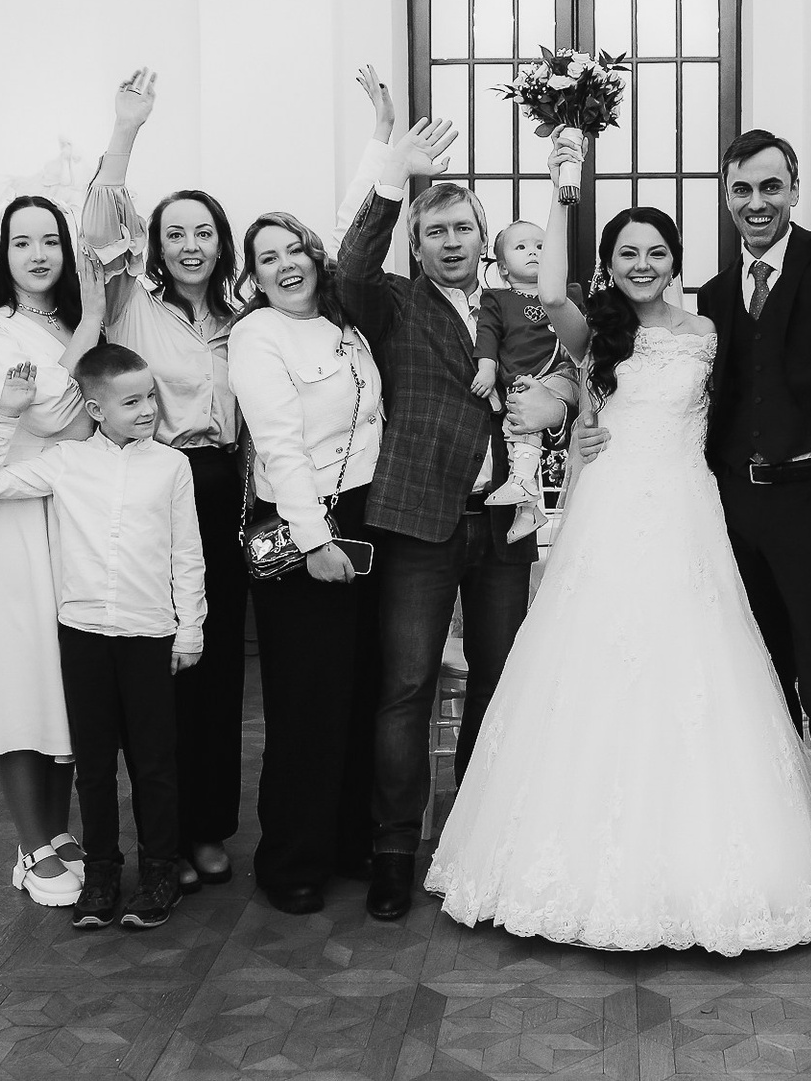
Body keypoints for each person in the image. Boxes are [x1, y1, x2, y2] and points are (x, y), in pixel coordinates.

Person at [428, 138, 811, 954]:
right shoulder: (594, 333)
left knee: (697, 668)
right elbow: (548, 290)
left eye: (655, 252)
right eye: (627, 254)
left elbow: (744, 411)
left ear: (674, 261)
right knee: (592, 665)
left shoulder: (711, 331)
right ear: (610, 266)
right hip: (611, 510)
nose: (642, 265)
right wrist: (563, 191)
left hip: (688, 512)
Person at [576, 101, 811, 953]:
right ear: (726, 196)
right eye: (741, 189)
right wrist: (590, 423)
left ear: (794, 189)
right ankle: (777, 856)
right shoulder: (709, 300)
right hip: (726, 513)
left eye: (771, 187)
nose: (756, 202)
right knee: (754, 690)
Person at [333, 116, 579, 922]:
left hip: (504, 523)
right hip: (418, 521)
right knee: (405, 687)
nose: (449, 242)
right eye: (434, 230)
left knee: (499, 684)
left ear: (484, 237)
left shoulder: (518, 306)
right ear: (416, 242)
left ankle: (475, 841)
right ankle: (394, 849)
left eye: (462, 228)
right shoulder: (392, 303)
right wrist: (391, 177)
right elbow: (351, 265)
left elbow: (569, 366)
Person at [0, 346, 206, 930]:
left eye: (150, 397)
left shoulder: (172, 467)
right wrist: (8, 411)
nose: (147, 409)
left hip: (150, 633)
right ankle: (101, 871)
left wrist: (190, 628)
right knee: (94, 765)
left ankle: (158, 872)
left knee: (154, 762)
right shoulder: (66, 462)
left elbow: (187, 553)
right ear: (96, 409)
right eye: (131, 401)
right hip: (84, 635)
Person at [79, 68, 246, 891]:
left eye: (203, 233)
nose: (189, 245)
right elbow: (96, 227)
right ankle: (163, 838)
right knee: (161, 674)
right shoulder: (129, 305)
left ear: (221, 243)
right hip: (157, 488)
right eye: (175, 233)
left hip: (230, 496)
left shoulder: (244, 319)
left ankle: (209, 827)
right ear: (156, 244)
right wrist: (126, 131)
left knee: (218, 668)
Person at [227, 210, 385, 915]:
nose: (286, 264)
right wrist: (316, 541)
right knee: (306, 703)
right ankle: (291, 858)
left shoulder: (346, 323)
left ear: (317, 257)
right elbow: (278, 444)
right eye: (268, 258)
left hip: (366, 515)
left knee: (359, 690)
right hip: (304, 524)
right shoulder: (259, 334)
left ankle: (349, 839)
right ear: (254, 276)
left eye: (295, 250)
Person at [0, 195, 104, 908]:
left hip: (73, 514)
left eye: (50, 241)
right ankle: (29, 842)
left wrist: (86, 327)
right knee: (19, 674)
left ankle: (60, 830)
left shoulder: (71, 323)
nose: (38, 255)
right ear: (3, 253)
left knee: (65, 675)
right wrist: (92, 329)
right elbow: (46, 412)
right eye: (21, 242)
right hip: (12, 516)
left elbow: (87, 414)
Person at [471, 219, 578, 543]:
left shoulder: (567, 294)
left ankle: (521, 484)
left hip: (559, 372)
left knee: (525, 416)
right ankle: (529, 509)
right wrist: (486, 369)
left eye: (540, 246)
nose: (533, 252)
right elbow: (487, 335)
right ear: (503, 267)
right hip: (520, 379)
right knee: (515, 425)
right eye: (521, 247)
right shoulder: (497, 299)